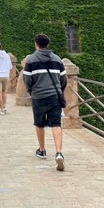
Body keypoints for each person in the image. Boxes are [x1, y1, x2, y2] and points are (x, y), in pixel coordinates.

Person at [23, 34, 68, 171]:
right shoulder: (57, 59)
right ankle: (59, 152)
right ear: (48, 44)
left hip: (38, 96)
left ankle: (42, 150)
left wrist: (32, 91)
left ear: (36, 44)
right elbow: (64, 79)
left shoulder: (31, 59)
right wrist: (59, 90)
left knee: (39, 123)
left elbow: (27, 79)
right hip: (54, 96)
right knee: (56, 123)